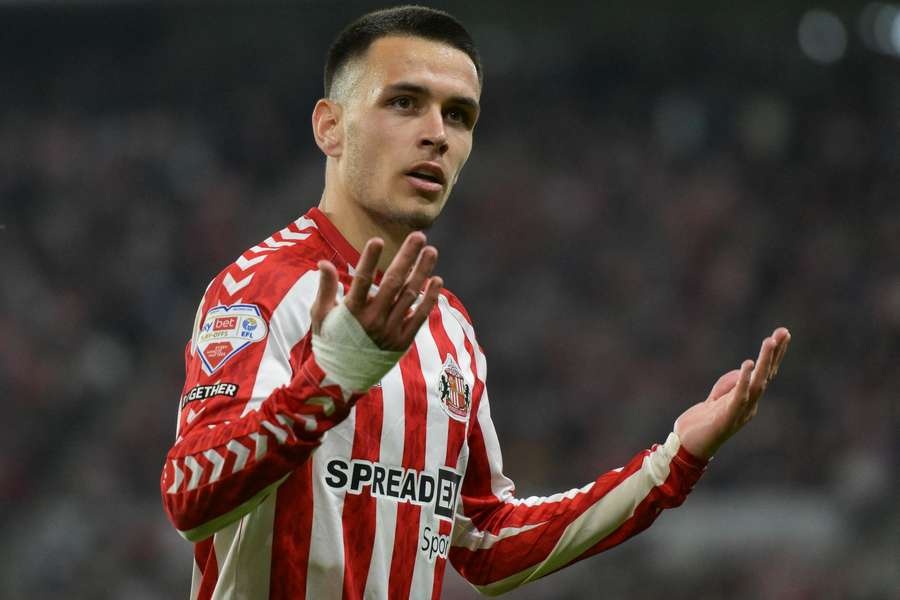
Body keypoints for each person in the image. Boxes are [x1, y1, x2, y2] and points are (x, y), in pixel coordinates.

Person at [160, 6, 791, 599]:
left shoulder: (450, 327)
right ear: (330, 126)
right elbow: (189, 497)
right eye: (404, 103)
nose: (437, 134)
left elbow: (486, 541)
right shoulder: (261, 287)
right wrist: (329, 380)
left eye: (459, 116)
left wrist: (672, 461)